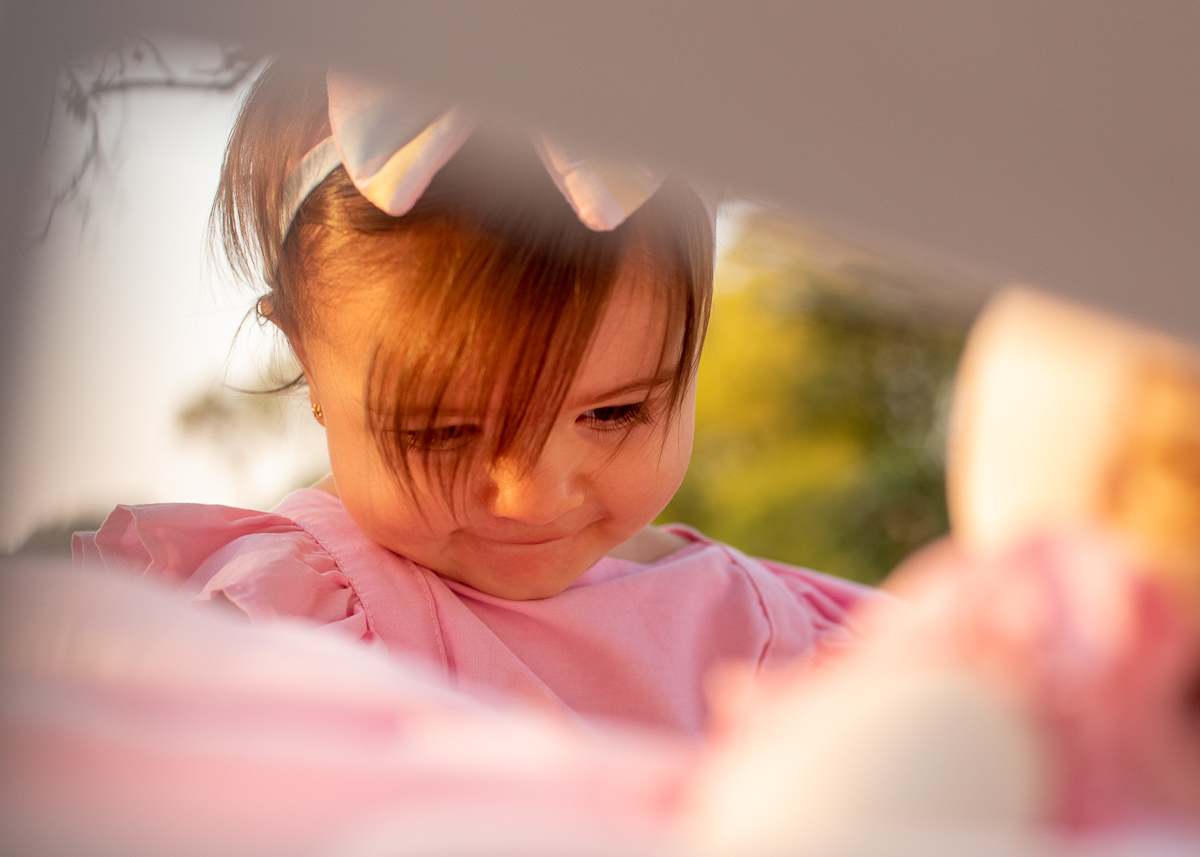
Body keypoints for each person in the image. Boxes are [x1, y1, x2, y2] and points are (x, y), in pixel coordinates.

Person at [73, 61, 875, 735]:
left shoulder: (777, 640)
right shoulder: (272, 630)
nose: (533, 496)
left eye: (613, 412)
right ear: (307, 360)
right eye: (445, 431)